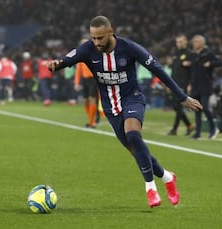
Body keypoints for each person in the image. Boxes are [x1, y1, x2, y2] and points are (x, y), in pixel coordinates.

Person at [48, 16, 202, 208]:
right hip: (110, 108)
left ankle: (150, 188)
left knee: (133, 135)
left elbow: (158, 70)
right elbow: (66, 59)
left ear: (111, 32)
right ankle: (168, 177)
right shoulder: (87, 49)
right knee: (137, 151)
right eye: (93, 38)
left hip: (132, 98)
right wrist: (56, 64)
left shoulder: (129, 48)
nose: (97, 43)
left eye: (100, 38)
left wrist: (182, 97)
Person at [189, 35, 222, 140]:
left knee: (205, 107)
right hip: (196, 85)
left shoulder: (208, 53)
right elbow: (193, 71)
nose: (194, 44)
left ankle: (214, 128)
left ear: (202, 43)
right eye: (194, 42)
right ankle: (198, 133)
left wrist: (211, 63)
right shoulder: (193, 55)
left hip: (206, 85)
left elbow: (221, 62)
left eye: (196, 42)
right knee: (196, 108)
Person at [168, 35, 195, 136]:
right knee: (176, 106)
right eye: (177, 42)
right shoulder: (176, 53)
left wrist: (190, 84)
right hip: (174, 83)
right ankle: (189, 125)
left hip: (183, 83)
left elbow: (193, 70)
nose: (178, 44)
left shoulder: (190, 54)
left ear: (186, 42)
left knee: (179, 106)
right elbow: (174, 69)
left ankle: (174, 129)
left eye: (180, 42)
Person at [74, 38, 99, 128]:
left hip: (93, 79)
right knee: (85, 101)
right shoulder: (80, 55)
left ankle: (92, 122)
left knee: (92, 99)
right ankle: (90, 119)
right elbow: (78, 70)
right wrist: (76, 82)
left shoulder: (95, 53)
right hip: (85, 80)